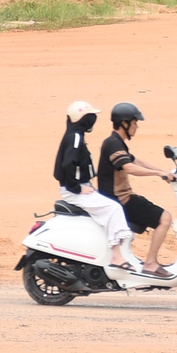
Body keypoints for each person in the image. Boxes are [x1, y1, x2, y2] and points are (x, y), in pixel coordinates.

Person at [51, 100, 145, 273]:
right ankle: (116, 257)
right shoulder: (76, 137)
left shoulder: (75, 135)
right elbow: (67, 165)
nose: (93, 120)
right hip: (74, 190)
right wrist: (77, 188)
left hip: (79, 187)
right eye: (90, 117)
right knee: (114, 208)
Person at [99, 101, 177, 276]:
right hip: (120, 201)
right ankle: (150, 263)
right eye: (135, 123)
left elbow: (135, 161)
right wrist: (157, 174)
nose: (136, 127)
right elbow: (129, 168)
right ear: (124, 123)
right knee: (165, 218)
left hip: (123, 198)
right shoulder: (112, 144)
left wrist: (162, 171)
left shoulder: (117, 142)